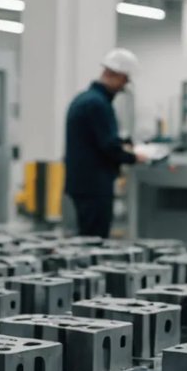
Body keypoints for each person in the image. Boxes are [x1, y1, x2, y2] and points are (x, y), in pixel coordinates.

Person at [65, 48, 145, 238]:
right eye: (124, 80)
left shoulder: (85, 99)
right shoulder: (97, 104)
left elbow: (96, 139)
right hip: (94, 185)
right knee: (94, 240)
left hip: (83, 183)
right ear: (114, 75)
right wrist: (134, 157)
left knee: (87, 236)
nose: (124, 86)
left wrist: (123, 144)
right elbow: (108, 146)